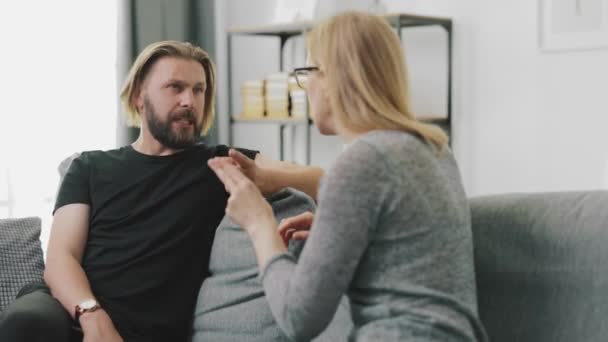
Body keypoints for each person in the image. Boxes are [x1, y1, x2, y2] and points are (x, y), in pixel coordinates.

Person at [0, 40, 323, 342]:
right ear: (140, 95)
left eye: (199, 90)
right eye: (175, 87)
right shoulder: (89, 166)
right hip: (74, 313)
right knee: (26, 322)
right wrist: (92, 315)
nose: (189, 101)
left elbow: (325, 180)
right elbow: (61, 257)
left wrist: (267, 177)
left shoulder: (223, 163)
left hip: (150, 328)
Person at [208, 11, 488, 342]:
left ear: (334, 78)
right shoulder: (436, 150)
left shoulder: (361, 160)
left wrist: (259, 224)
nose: (306, 86)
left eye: (308, 71)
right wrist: (334, 224)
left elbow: (298, 319)